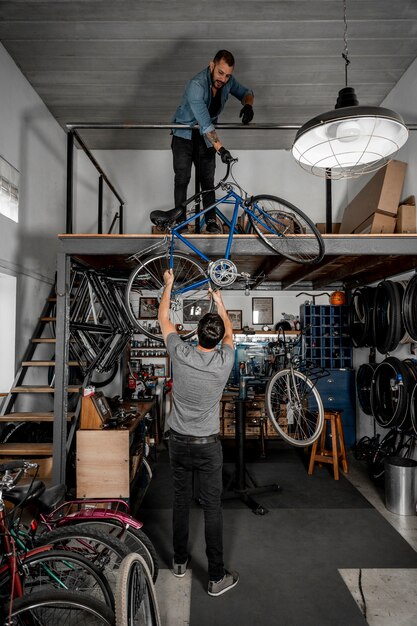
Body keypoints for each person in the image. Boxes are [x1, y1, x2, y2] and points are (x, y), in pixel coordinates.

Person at [158, 269, 238, 596]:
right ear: (216, 340)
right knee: (212, 507)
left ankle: (179, 562)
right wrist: (219, 300)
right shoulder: (224, 361)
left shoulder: (179, 352)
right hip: (207, 447)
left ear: (196, 334)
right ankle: (216, 577)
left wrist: (168, 285)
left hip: (178, 443)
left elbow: (163, 317)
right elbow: (231, 335)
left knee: (179, 502)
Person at [171, 49, 254, 233]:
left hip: (205, 139)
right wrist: (221, 149)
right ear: (212, 66)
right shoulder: (196, 85)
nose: (223, 79)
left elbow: (247, 92)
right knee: (182, 179)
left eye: (227, 75)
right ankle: (181, 222)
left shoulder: (228, 82)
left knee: (207, 180)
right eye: (220, 73)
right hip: (183, 135)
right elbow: (206, 125)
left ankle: (210, 221)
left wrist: (248, 104)